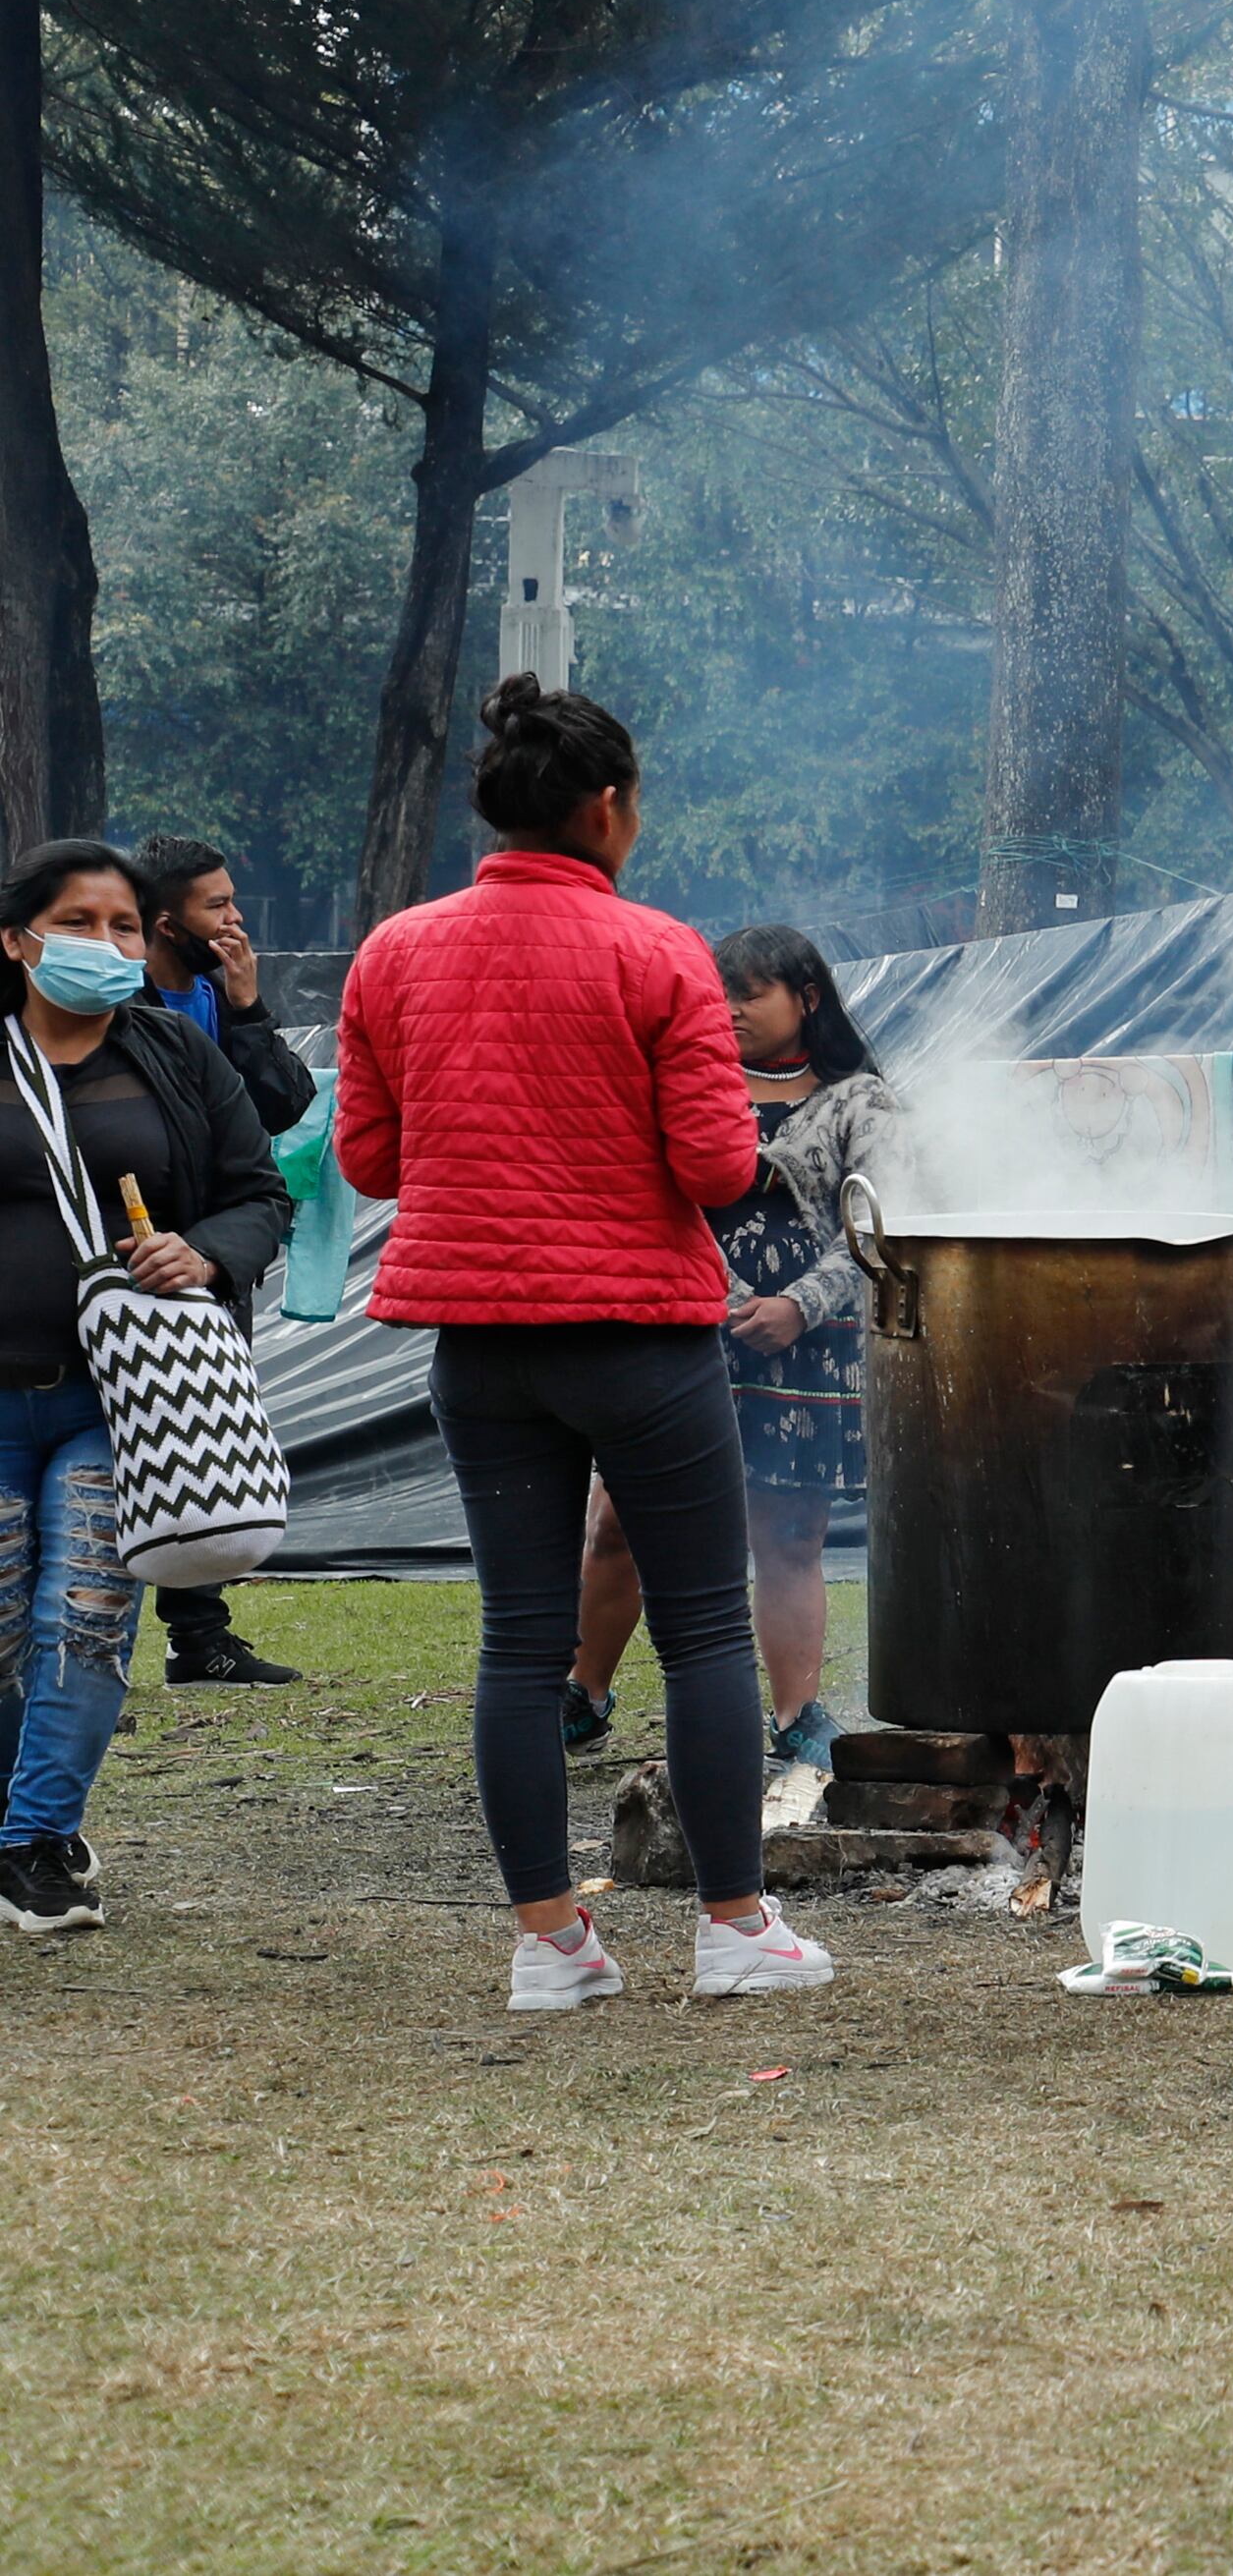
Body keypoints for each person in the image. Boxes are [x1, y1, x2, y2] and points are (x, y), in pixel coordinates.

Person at [335, 675, 833, 2008]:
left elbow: (371, 1156)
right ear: (607, 807)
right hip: (641, 1338)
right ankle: (735, 1927)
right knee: (706, 1633)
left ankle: (548, 1944)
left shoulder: (393, 951)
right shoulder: (660, 950)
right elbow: (719, 1164)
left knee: (519, 1638)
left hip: (480, 1344)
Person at [0, 842, 289, 1931]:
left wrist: (205, 1250)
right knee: (1, 1636)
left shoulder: (171, 1052)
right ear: (16, 939)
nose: (109, 946)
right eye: (79, 923)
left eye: (125, 926)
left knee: (82, 1615)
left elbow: (261, 1194)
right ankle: (19, 1816)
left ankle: (32, 1842)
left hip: (126, 1401)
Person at [565, 924, 897, 1769]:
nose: (732, 1008)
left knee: (786, 1535)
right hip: (677, 1332)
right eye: (723, 993)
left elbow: (885, 1226)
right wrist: (720, 1292)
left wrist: (800, 1304)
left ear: (807, 998)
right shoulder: (679, 1087)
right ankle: (583, 1693)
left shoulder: (863, 1101)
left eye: (752, 991)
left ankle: (796, 1714)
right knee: (618, 1523)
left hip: (807, 1352)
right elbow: (642, 1196)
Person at [126, 834, 314, 1688]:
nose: (237, 918)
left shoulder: (216, 998)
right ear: (167, 923)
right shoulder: (110, 1006)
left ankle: (197, 1635)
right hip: (127, 1256)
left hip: (213, 1254)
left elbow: (281, 1106)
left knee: (196, 1444)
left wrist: (246, 1007)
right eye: (218, 906)